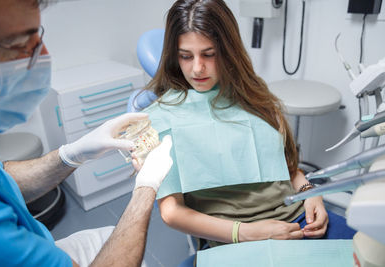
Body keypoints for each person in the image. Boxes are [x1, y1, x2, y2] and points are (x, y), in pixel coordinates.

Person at [139, 0, 356, 264]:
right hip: (236, 237)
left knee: (369, 254)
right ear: (174, 55)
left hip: (298, 219)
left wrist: (311, 193)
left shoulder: (252, 94)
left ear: (228, 51)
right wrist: (247, 232)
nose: (197, 68)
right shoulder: (163, 118)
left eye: (209, 54)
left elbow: (289, 168)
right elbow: (172, 212)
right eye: (186, 56)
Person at [0, 0, 173, 266]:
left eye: (38, 40)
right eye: (19, 45)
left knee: (106, 236)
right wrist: (146, 187)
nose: (44, 57)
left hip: (36, 239)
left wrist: (72, 153)